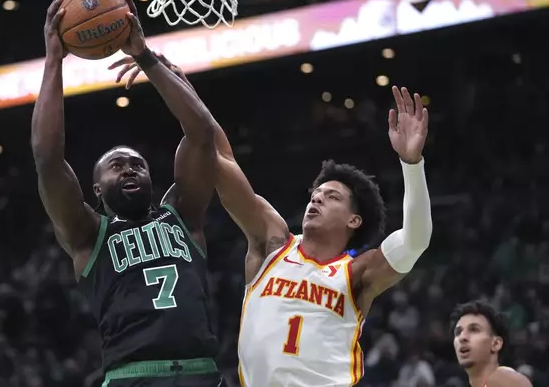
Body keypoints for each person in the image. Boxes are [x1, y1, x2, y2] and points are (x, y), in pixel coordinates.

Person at [111, 55, 432, 386]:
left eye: (332, 196)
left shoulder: (357, 274)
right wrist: (176, 83)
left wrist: (412, 163)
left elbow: (415, 239)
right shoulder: (273, 242)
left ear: (354, 220)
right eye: (316, 193)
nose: (317, 198)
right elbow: (217, 155)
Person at [32, 0, 223, 386]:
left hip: (201, 374)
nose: (129, 169)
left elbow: (202, 134)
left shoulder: (182, 215)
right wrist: (54, 61)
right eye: (116, 167)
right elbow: (48, 158)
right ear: (96, 189)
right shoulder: (89, 235)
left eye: (137, 164)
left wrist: (145, 58)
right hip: (130, 377)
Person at [450, 300, 532, 387]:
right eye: (458, 332)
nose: (462, 337)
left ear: (496, 344)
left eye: (474, 330)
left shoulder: (505, 378)